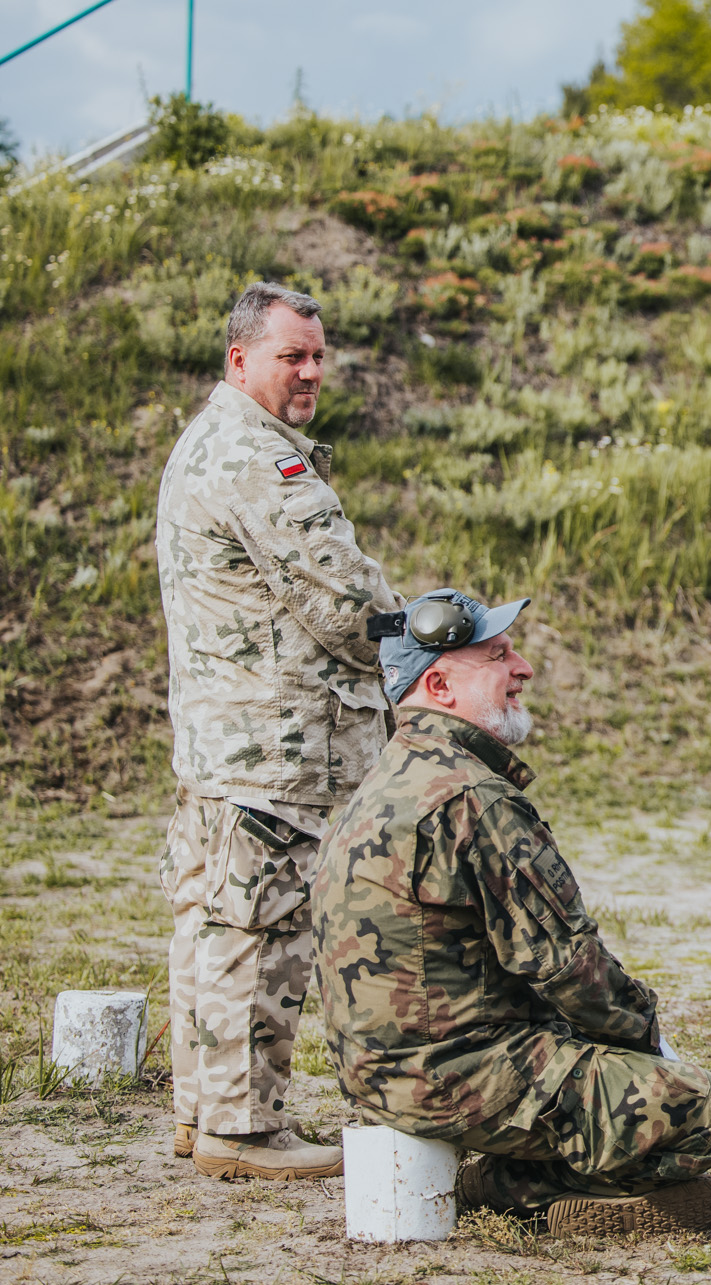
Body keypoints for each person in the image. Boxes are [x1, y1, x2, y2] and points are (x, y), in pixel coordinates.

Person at [311, 590, 711, 1235]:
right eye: (497, 655)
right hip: (448, 1076)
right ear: (439, 684)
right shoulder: (471, 796)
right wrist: (652, 1044)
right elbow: (568, 963)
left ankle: (516, 1175)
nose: (523, 668)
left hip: (380, 1071)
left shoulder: (390, 777)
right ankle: (504, 1185)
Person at [155, 281, 400, 1180]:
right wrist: (425, 630)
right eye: (291, 355)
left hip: (233, 740)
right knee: (261, 928)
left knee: (214, 921)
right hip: (276, 749)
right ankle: (242, 1128)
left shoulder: (214, 441)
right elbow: (344, 603)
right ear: (239, 358)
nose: (310, 371)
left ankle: (203, 1112)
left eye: (317, 355)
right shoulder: (258, 458)